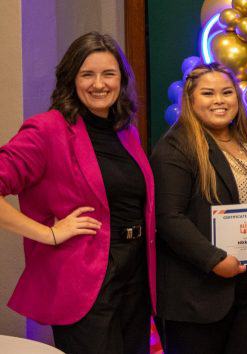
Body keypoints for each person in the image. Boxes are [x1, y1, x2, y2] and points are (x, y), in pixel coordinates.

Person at [0, 32, 154, 354]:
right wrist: (49, 233)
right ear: (71, 79)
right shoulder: (46, 130)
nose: (99, 84)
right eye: (87, 74)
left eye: (108, 74)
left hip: (135, 274)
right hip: (86, 281)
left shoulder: (125, 130)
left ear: (121, 79)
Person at [150, 63, 247, 354]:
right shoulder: (176, 147)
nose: (219, 100)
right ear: (190, 100)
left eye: (227, 92)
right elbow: (168, 217)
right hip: (198, 294)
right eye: (208, 93)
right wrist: (214, 260)